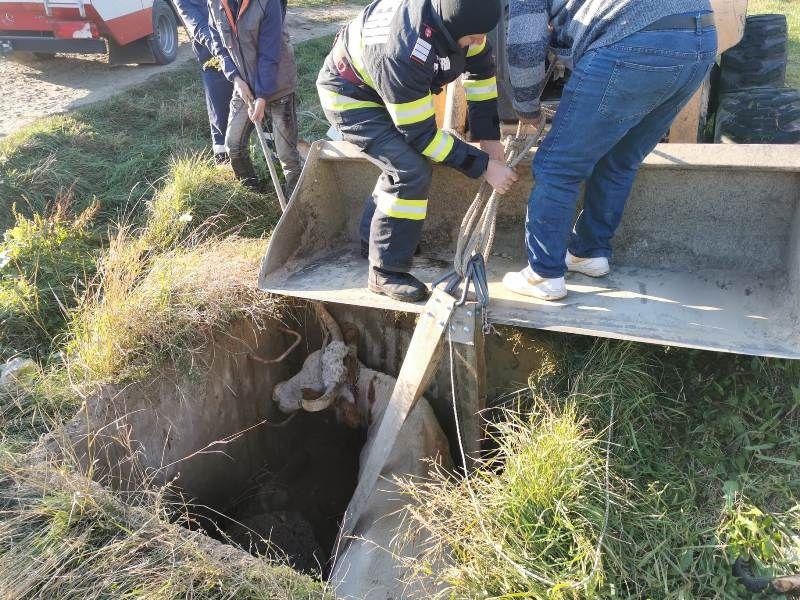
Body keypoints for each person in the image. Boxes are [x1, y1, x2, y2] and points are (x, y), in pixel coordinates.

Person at [502, 0, 718, 301]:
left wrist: (526, 105)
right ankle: (589, 253)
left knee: (557, 166)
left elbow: (524, 43)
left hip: (633, 40)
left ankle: (543, 275)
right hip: (700, 40)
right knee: (621, 159)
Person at [317, 0, 518, 303]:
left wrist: (488, 136)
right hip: (351, 96)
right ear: (452, 27)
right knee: (408, 168)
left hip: (389, 86)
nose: (479, 40)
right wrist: (483, 166)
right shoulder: (404, 49)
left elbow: (480, 74)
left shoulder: (460, 20)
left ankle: (374, 240)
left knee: (404, 161)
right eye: (473, 36)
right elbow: (422, 136)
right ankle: (384, 271)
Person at [207, 0, 302, 195]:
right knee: (233, 145)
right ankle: (253, 194)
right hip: (244, 87)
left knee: (287, 157)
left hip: (278, 85)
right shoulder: (214, 3)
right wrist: (235, 78)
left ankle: (297, 203)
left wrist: (262, 95)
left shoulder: (267, 3)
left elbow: (270, 51)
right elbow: (218, 43)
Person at [174, 0, 234, 163]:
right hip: (213, 59)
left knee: (262, 106)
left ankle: (271, 152)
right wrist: (223, 54)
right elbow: (200, 28)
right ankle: (223, 160)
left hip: (243, 52)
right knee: (220, 113)